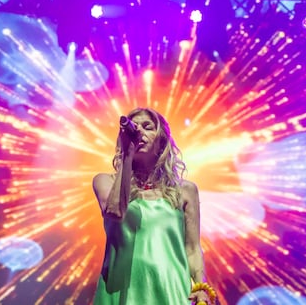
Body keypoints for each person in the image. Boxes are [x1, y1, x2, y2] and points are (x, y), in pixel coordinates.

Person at [92, 107, 217, 305]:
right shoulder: (105, 181)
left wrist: (201, 287)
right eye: (135, 127)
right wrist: (127, 155)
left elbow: (192, 248)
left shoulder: (185, 190)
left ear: (161, 140)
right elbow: (115, 211)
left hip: (173, 290)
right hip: (123, 291)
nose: (139, 131)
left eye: (147, 126)